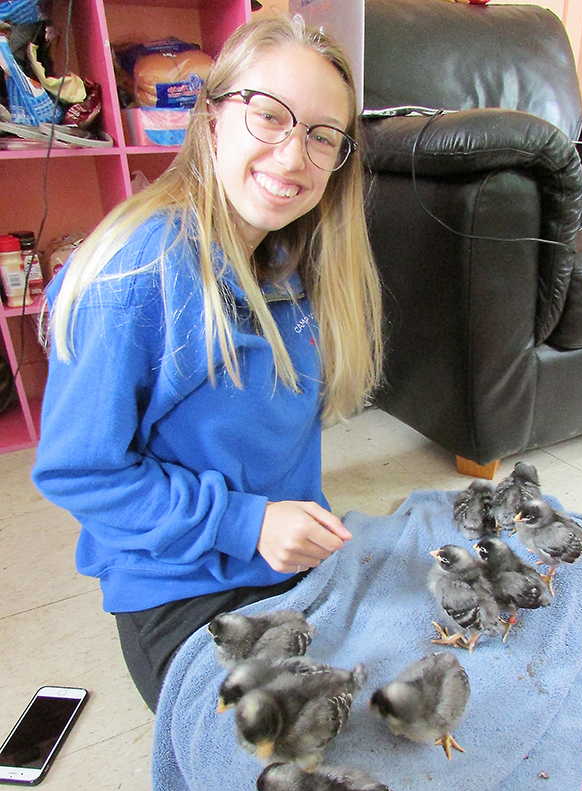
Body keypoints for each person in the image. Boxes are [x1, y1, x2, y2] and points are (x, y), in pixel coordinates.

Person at [32, 16, 383, 713]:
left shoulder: (298, 259)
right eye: (268, 116)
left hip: (286, 563)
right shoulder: (134, 274)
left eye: (321, 135)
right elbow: (79, 470)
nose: (292, 158)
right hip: (179, 588)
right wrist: (246, 523)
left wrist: (283, 529)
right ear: (212, 116)